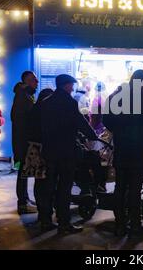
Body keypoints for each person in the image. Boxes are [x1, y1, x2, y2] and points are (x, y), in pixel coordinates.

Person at [104, 70, 143, 239]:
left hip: (121, 148)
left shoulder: (116, 97)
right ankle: (135, 225)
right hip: (138, 150)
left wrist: (120, 131)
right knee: (135, 188)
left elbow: (107, 120)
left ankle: (120, 224)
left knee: (120, 187)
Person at [40, 74, 98, 235]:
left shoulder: (46, 103)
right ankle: (63, 222)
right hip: (66, 152)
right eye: (72, 85)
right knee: (64, 188)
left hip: (49, 151)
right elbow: (80, 122)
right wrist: (92, 136)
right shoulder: (70, 102)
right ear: (66, 85)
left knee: (48, 186)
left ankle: (45, 220)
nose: (73, 88)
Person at [11, 71, 39, 215]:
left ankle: (24, 199)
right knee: (22, 171)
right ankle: (22, 203)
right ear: (26, 81)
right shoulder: (23, 96)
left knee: (23, 171)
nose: (37, 81)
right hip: (23, 141)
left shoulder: (25, 95)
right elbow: (25, 119)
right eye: (34, 79)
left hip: (22, 140)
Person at [27, 88, 54, 232]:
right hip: (45, 150)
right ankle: (46, 217)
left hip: (34, 149)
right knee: (48, 185)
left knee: (39, 183)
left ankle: (42, 214)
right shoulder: (47, 112)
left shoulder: (34, 110)